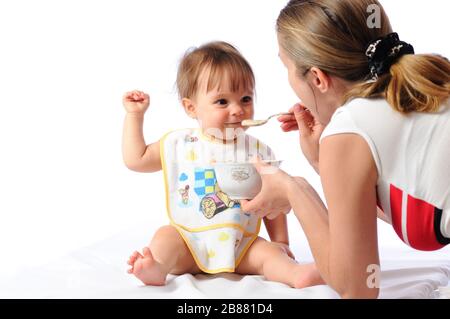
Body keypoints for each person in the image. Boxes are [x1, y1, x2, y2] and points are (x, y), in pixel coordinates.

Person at [240, 0, 450, 298]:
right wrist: (322, 163)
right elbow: (427, 211)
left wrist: (294, 189)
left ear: (317, 78)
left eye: (285, 66)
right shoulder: (428, 85)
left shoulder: (349, 129)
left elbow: (358, 288)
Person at [122, 41, 323, 288]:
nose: (238, 110)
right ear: (191, 107)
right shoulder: (180, 144)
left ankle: (295, 274)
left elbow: (274, 201)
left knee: (269, 254)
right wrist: (135, 116)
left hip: (241, 246)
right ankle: (157, 267)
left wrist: (281, 242)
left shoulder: (258, 151)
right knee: (165, 236)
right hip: (188, 243)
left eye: (246, 98)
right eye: (222, 102)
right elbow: (136, 159)